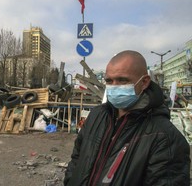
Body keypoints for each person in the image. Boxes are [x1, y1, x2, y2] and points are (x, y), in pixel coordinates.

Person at [64, 50, 190, 186]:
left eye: (122, 80)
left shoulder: (165, 137)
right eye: (109, 81)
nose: (114, 86)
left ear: (145, 82)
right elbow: (76, 159)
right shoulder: (97, 115)